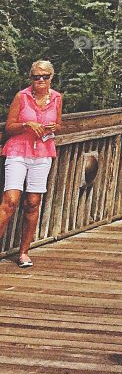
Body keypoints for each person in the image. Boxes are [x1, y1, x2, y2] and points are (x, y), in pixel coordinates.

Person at [0, 59, 62, 268]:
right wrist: (27, 124)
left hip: (43, 154)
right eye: (37, 77)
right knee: (10, 201)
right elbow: (9, 127)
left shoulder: (57, 98)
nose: (41, 80)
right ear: (31, 78)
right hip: (18, 151)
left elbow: (59, 124)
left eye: (45, 76)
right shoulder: (22, 96)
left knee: (33, 202)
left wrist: (53, 127)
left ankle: (24, 253)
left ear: (51, 77)